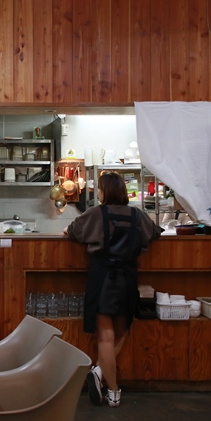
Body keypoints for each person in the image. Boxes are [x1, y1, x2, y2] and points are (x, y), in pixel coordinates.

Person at [62, 171, 161, 408]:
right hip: (127, 277)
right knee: (123, 331)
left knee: (105, 336)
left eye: (99, 189)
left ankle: (112, 389)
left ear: (104, 192)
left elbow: (72, 231)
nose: (98, 193)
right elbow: (155, 232)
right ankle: (100, 374)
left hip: (103, 277)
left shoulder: (95, 213)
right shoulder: (137, 215)